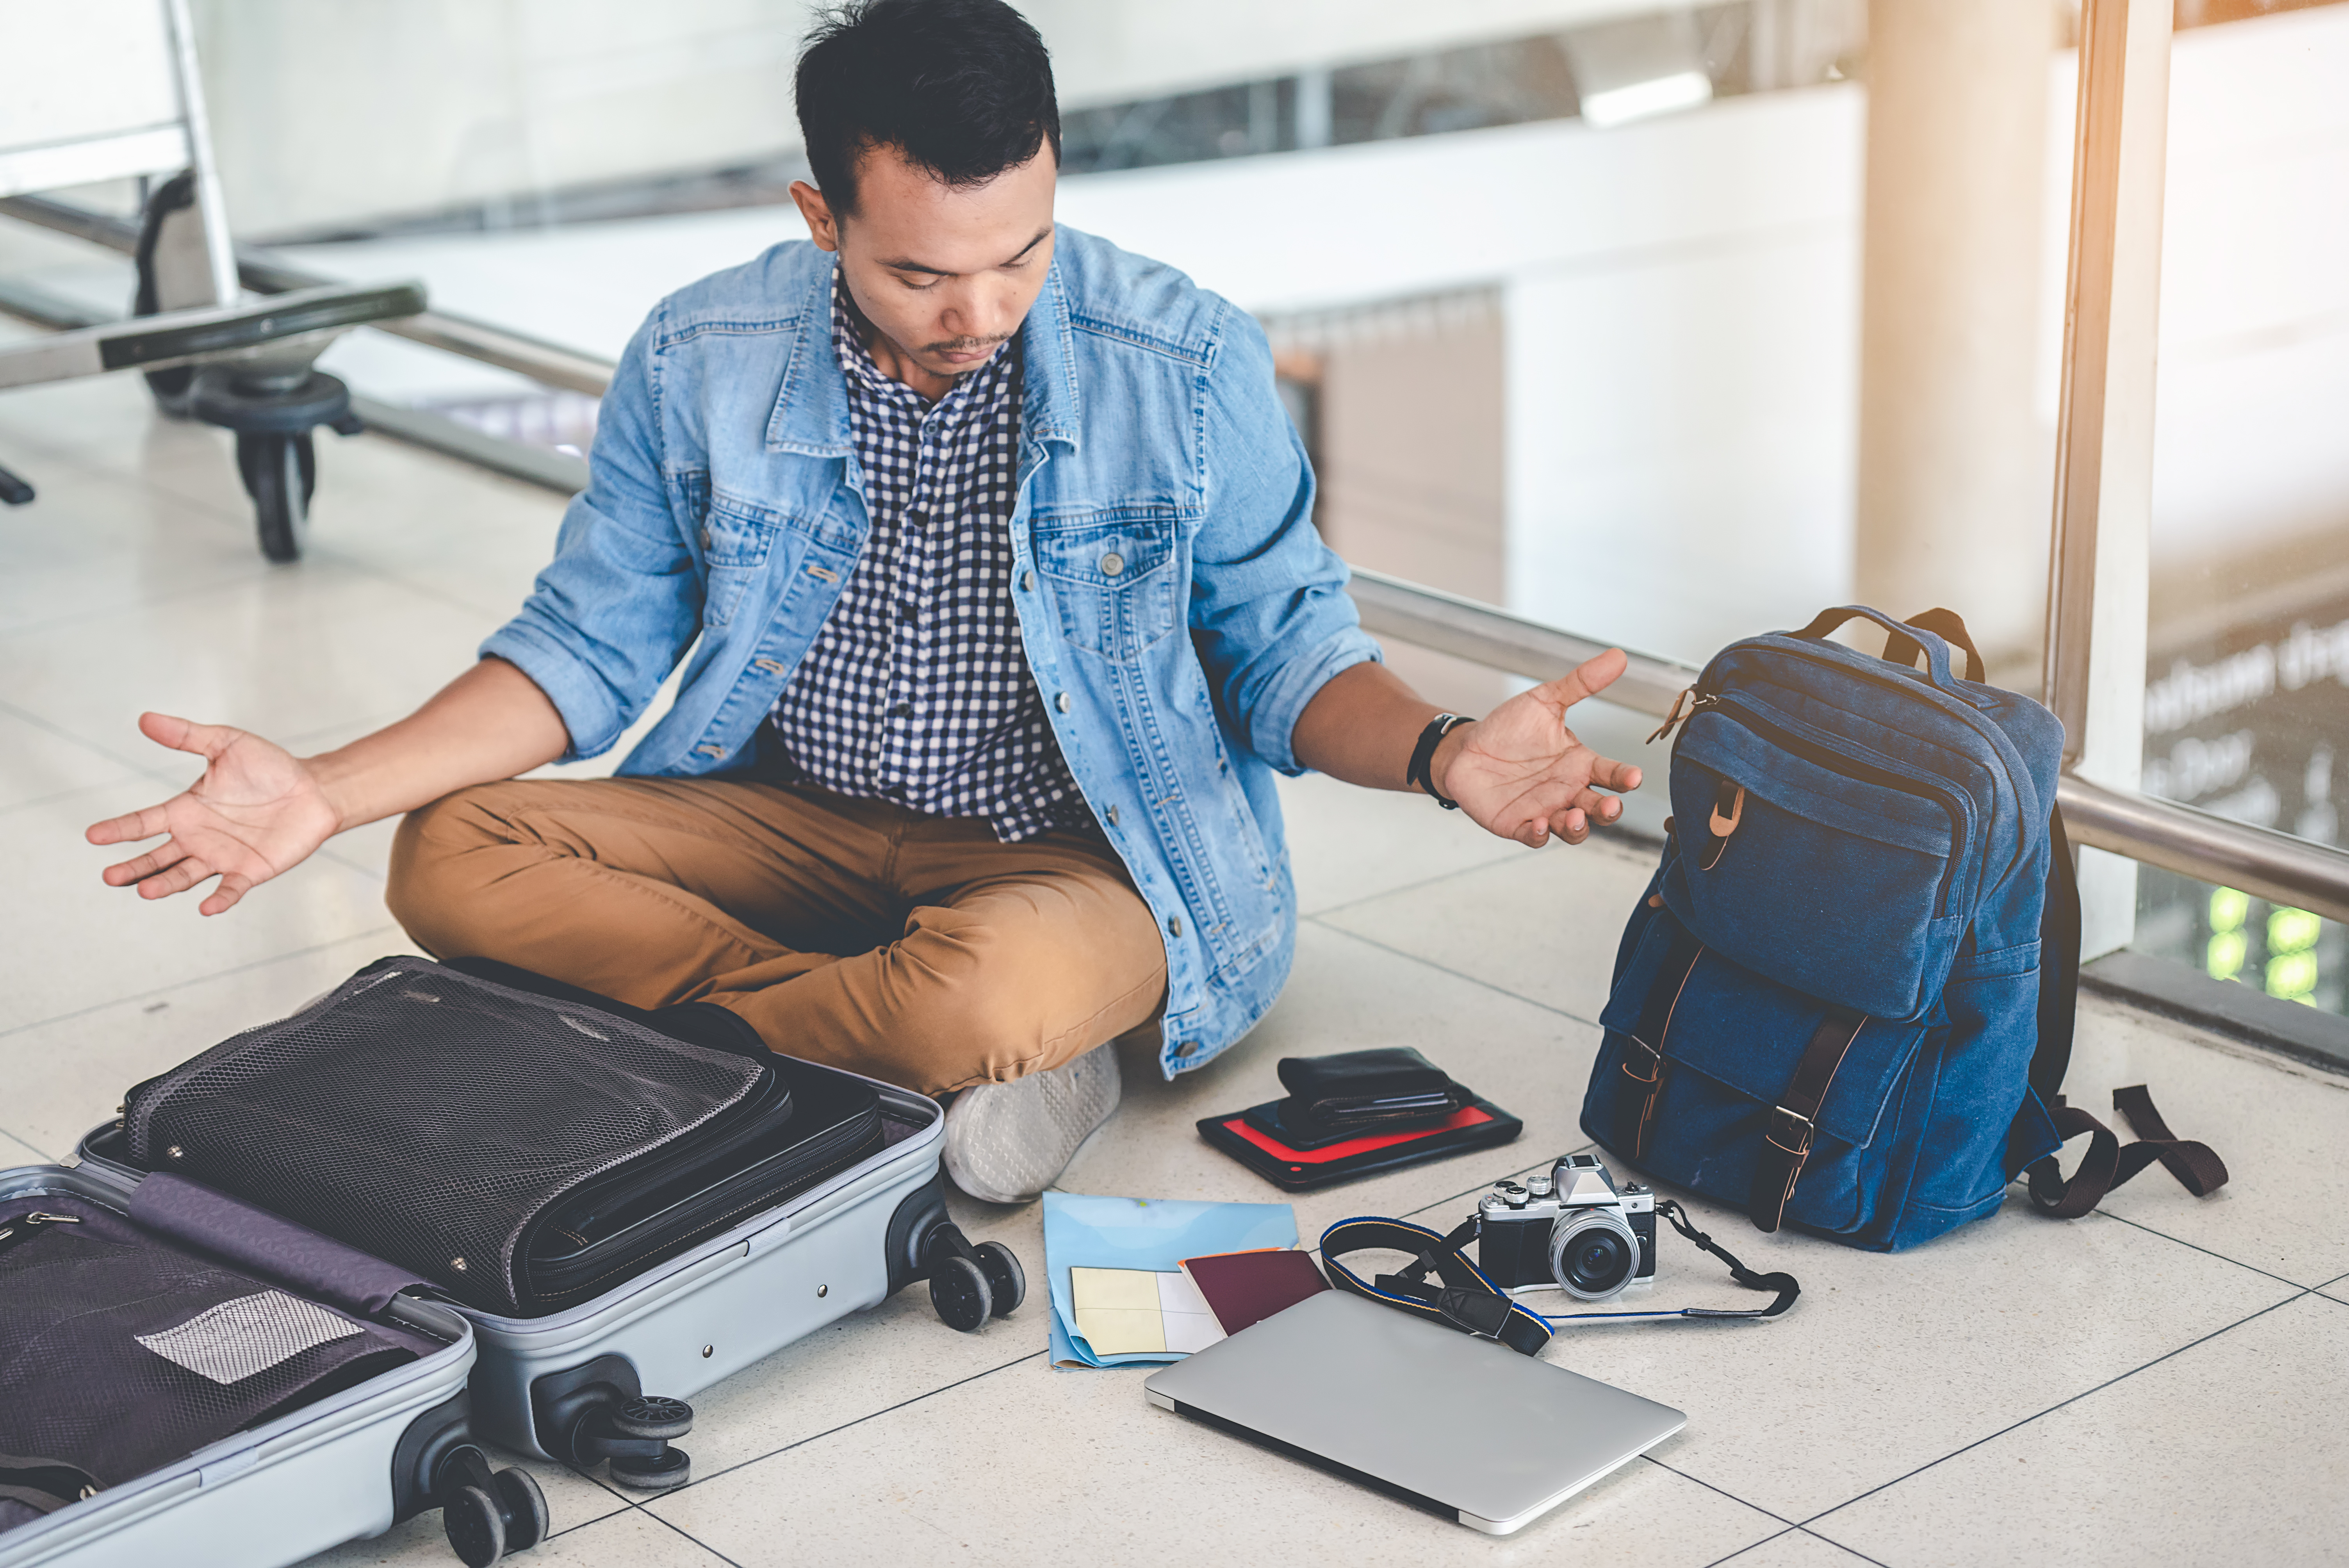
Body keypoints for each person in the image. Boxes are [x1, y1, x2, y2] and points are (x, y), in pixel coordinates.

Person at [84, 0, 1641, 1204]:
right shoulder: (701, 352)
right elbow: (587, 644)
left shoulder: (1183, 358)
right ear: (821, 214)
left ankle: (825, 1044)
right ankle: (928, 1062)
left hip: (1080, 860)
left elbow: (1282, 652)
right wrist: (324, 792)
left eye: (1019, 255)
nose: (980, 313)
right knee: (450, 851)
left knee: (988, 980)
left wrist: (1444, 751)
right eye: (920, 275)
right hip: (786, 825)